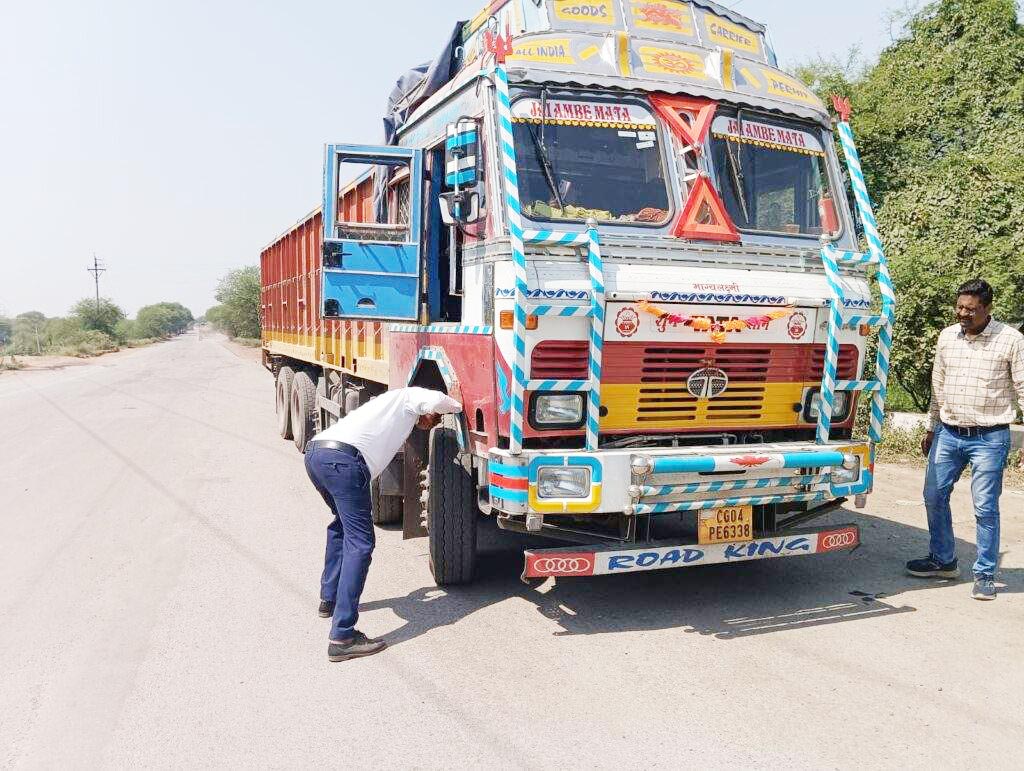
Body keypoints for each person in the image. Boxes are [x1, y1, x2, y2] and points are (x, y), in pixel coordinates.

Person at [304, 386, 462, 661]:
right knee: (361, 544)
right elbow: (440, 400)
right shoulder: (410, 396)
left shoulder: (392, 410)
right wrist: (460, 404)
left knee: (341, 527)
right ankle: (342, 637)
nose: (432, 422)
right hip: (343, 463)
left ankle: (328, 599)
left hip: (317, 454)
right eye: (434, 417)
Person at [906, 279, 1024, 600]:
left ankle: (985, 574)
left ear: (987, 309)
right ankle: (943, 560)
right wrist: (931, 427)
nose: (963, 313)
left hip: (990, 436)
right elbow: (938, 386)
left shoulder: (1011, 340)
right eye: (959, 307)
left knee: (985, 507)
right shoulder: (947, 337)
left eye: (971, 310)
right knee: (933, 495)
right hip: (948, 431)